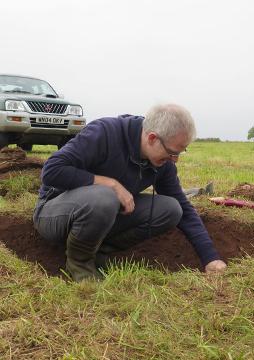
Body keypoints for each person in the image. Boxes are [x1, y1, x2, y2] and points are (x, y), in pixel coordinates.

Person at [33, 104, 227, 281]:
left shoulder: (163, 163)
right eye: (172, 152)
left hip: (103, 216)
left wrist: (210, 258)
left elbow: (183, 207)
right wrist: (110, 184)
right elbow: (51, 171)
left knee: (171, 209)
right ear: (152, 138)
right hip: (54, 213)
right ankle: (80, 263)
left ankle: (99, 252)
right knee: (105, 196)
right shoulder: (105, 133)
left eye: (180, 152)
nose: (175, 159)